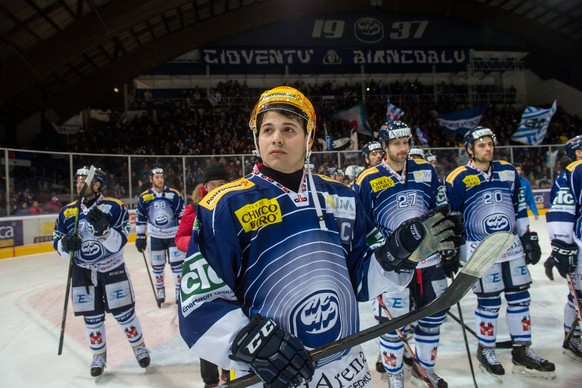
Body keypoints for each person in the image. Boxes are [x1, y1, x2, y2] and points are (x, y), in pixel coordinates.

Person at [178, 86, 461, 387]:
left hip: (347, 370)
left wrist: (401, 251)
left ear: (309, 138)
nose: (276, 138)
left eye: (289, 129)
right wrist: (251, 344)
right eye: (267, 129)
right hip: (271, 377)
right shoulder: (224, 205)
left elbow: (361, 280)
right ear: (256, 138)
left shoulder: (341, 195)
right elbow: (199, 302)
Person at [444, 126, 554, 380]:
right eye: (481, 145)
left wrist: (529, 237)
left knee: (520, 298)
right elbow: (453, 216)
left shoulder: (507, 171)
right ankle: (487, 349)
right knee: (489, 302)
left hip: (511, 247)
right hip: (480, 250)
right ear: (469, 149)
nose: (487, 148)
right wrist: (452, 250)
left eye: (490, 144)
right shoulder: (457, 178)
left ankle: (522, 348)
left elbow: (518, 206)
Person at [355, 121, 460, 387]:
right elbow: (361, 226)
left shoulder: (426, 170)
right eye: (396, 144)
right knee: (393, 326)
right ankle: (394, 375)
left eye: (406, 143)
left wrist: (447, 246)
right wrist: (384, 251)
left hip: (430, 262)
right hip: (392, 267)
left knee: (433, 318)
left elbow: (440, 208)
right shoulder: (367, 180)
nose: (403, 149)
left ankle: (424, 369)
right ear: (385, 146)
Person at [52, 166, 150, 377]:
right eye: (77, 180)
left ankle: (139, 347)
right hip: (83, 273)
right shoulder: (67, 211)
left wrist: (105, 232)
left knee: (125, 314)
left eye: (83, 181)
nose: (79, 184)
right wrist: (64, 244)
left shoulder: (115, 207)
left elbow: (119, 243)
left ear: (97, 184)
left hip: (111, 269)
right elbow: (56, 242)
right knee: (92, 318)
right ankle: (99, 356)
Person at [175, 162, 230, 388]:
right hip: (204, 280)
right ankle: (210, 380)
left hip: (228, 277)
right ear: (204, 187)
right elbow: (180, 238)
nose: (216, 189)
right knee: (207, 328)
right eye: (212, 185)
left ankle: (230, 372)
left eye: (221, 184)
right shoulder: (194, 209)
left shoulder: (233, 204)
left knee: (231, 326)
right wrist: (198, 243)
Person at [545, 134, 582, 362]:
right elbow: (561, 209)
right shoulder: (574, 172)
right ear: (578, 152)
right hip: (580, 244)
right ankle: (573, 337)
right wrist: (561, 245)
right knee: (578, 296)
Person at [136, 167, 185, 304]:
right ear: (151, 180)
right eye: (157, 177)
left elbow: (181, 215)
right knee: (157, 266)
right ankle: (160, 290)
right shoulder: (144, 197)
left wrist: (183, 232)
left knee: (177, 266)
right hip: (155, 236)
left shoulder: (174, 194)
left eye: (162, 177)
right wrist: (140, 236)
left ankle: (178, 291)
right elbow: (141, 218)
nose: (160, 179)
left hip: (173, 236)